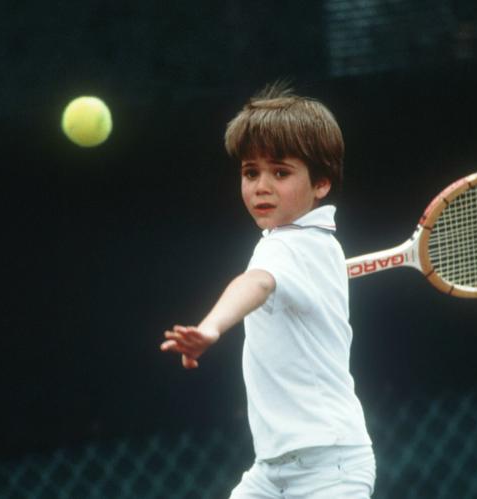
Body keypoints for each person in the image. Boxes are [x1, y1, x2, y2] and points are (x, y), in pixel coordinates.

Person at [160, 82, 375, 498]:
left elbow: (255, 282)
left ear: (321, 184)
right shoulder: (313, 243)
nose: (261, 185)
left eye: (280, 172)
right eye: (250, 172)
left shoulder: (288, 245)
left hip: (329, 469)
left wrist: (210, 329)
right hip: (272, 470)